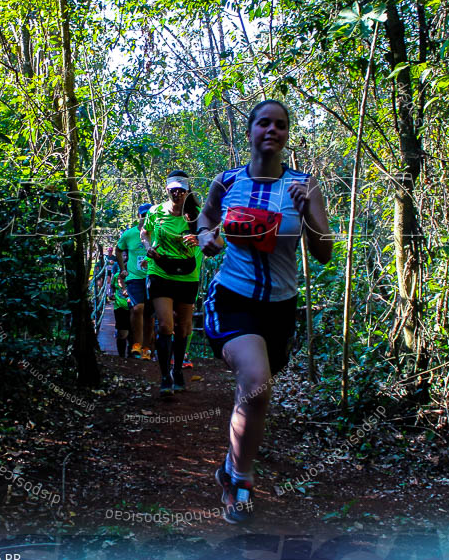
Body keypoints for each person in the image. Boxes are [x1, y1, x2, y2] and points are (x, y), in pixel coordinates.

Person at [197, 100, 333, 523]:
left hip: (281, 308)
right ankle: (238, 481)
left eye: (281, 125)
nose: (272, 130)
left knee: (256, 395)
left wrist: (308, 212)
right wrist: (205, 237)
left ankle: (231, 463)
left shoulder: (305, 185)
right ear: (251, 131)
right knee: (256, 384)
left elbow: (324, 252)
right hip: (233, 299)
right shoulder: (227, 181)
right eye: (264, 123)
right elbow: (204, 218)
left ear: (287, 134)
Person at [141, 171, 203, 396]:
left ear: (187, 191)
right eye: (173, 189)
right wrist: (148, 247)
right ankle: (165, 376)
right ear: (166, 190)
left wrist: (200, 238)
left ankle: (178, 371)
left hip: (187, 275)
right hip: (160, 271)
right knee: (166, 325)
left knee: (183, 326)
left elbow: (215, 239)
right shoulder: (155, 212)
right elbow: (144, 232)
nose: (177, 193)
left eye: (181, 189)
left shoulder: (197, 215)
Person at [116, 204, 154, 360]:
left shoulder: (156, 232)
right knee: (138, 308)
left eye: (149, 214)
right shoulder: (129, 234)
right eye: (143, 214)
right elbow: (118, 249)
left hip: (152, 276)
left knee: (149, 314)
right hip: (134, 277)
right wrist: (122, 268)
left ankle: (146, 348)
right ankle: (136, 344)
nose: (146, 217)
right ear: (139, 216)